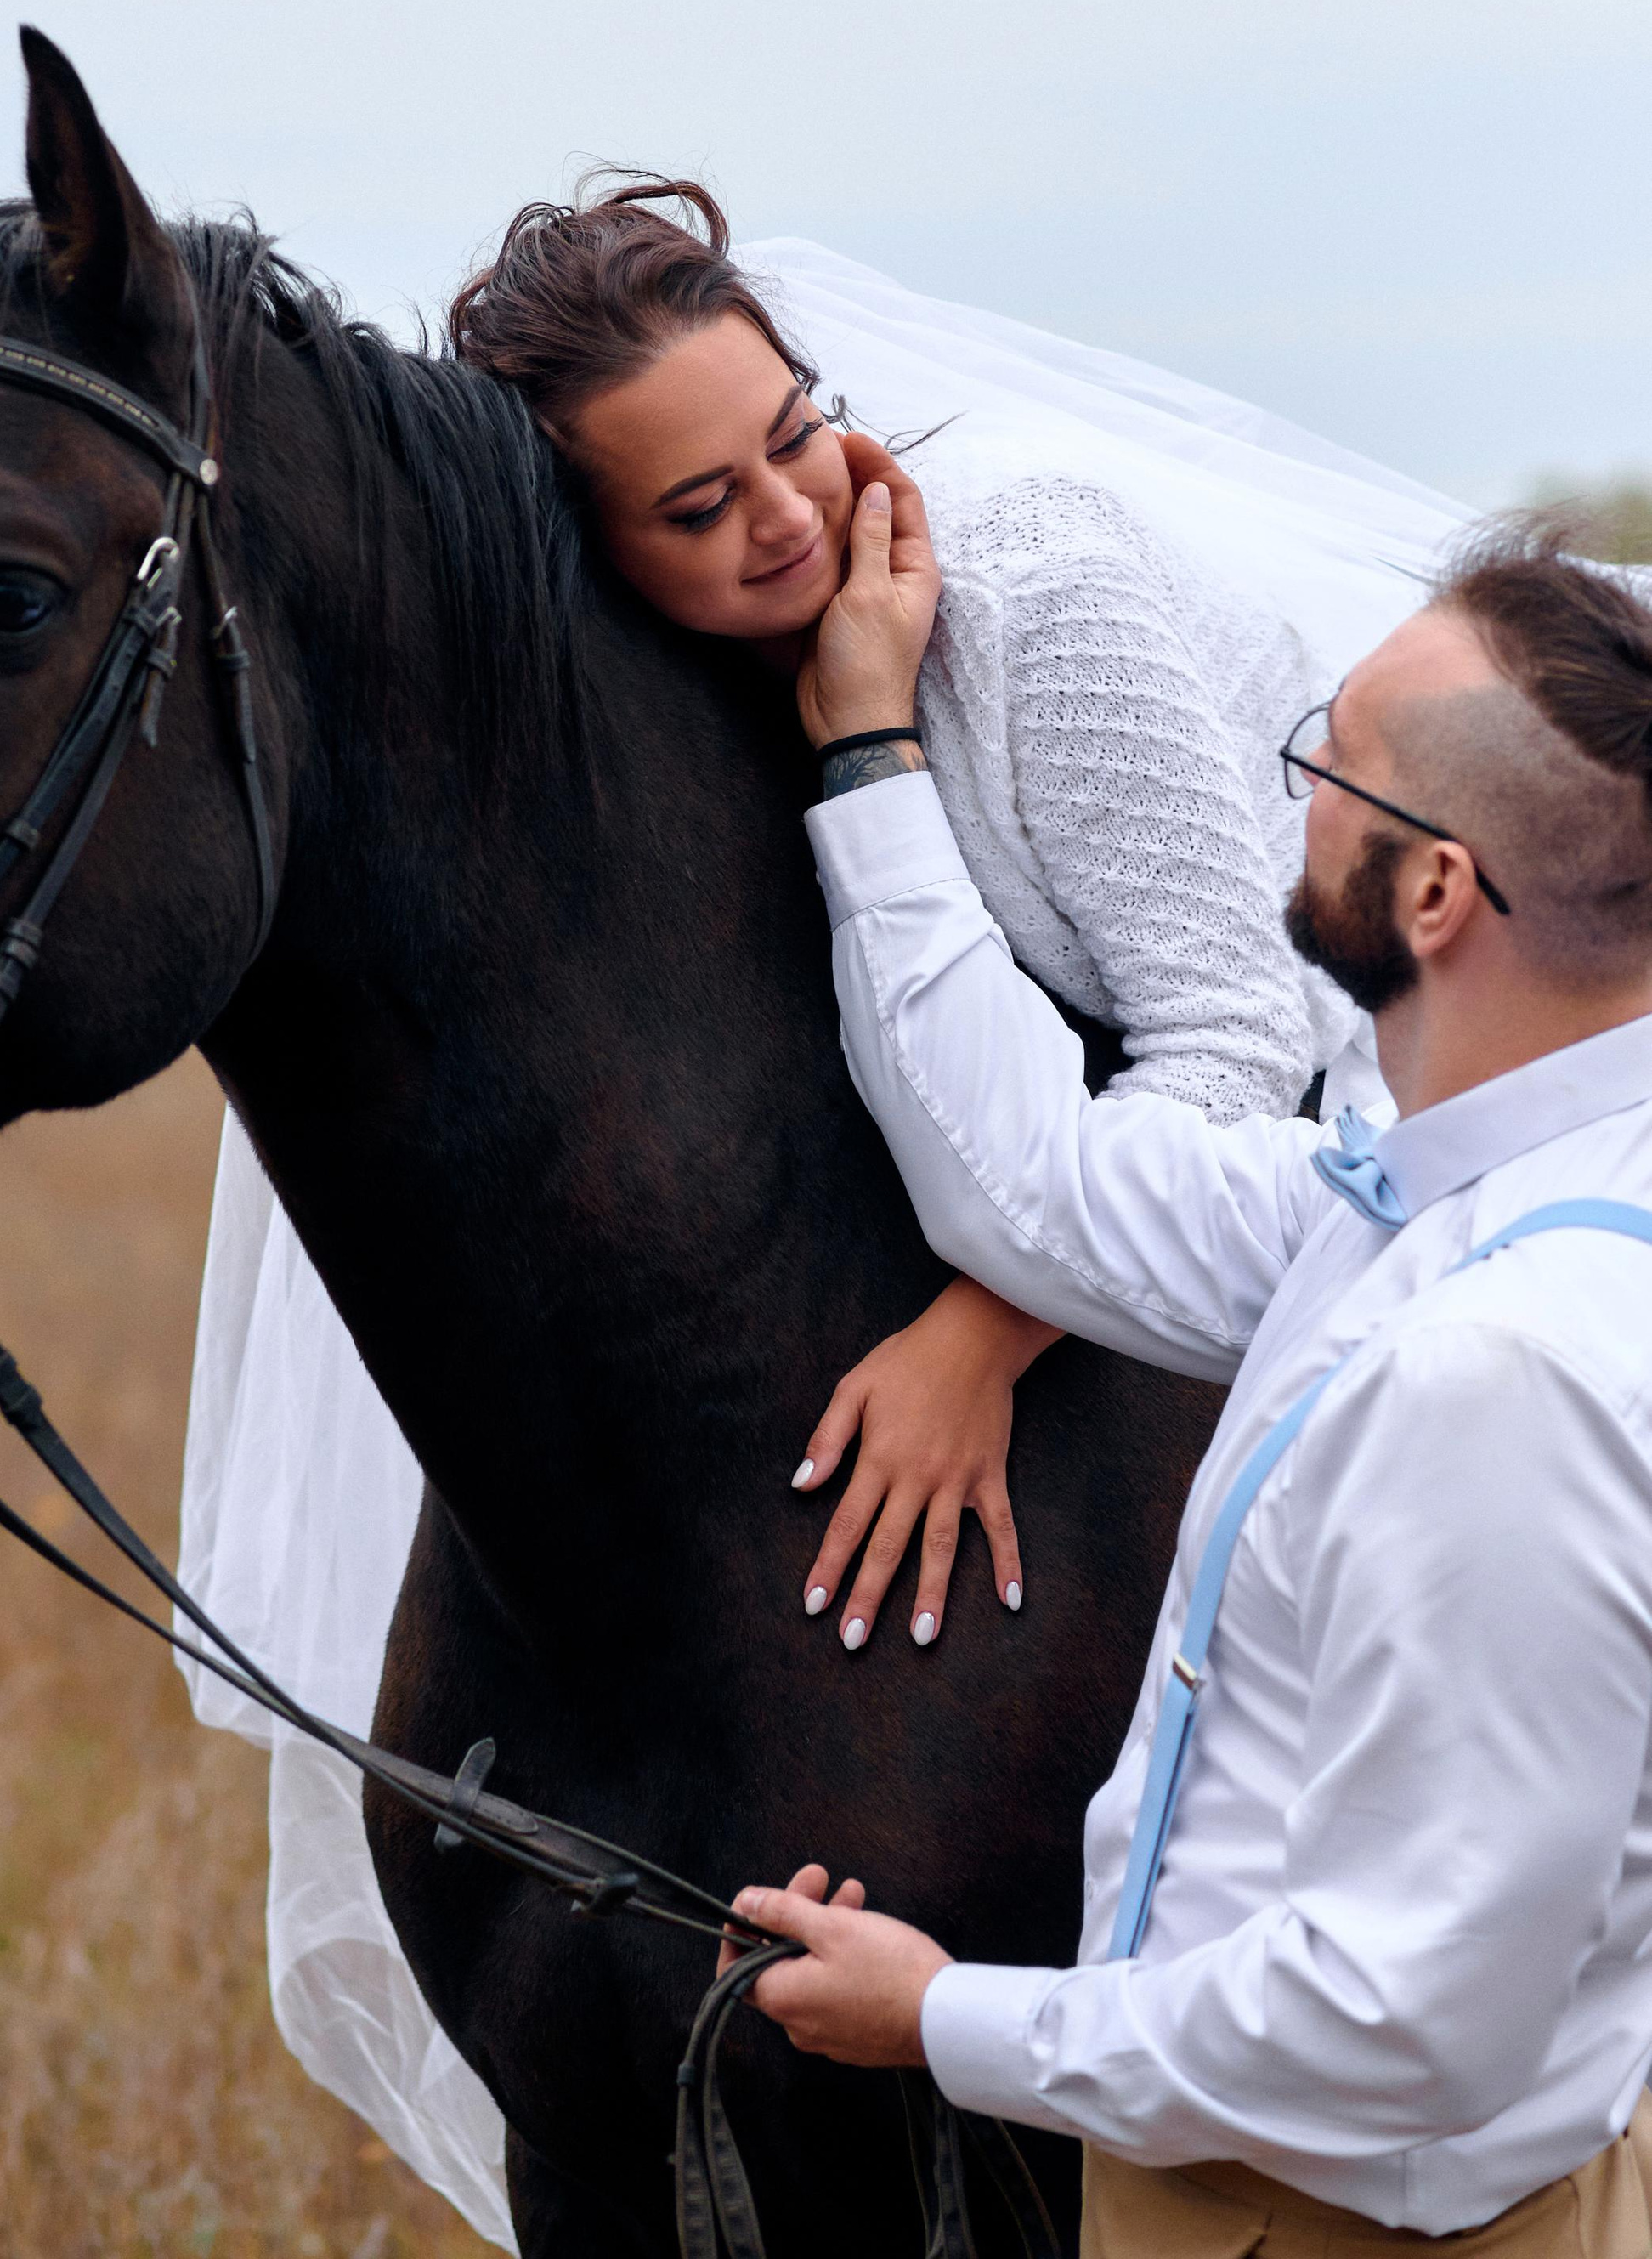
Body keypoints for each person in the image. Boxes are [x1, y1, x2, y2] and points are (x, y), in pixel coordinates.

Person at [179, 195, 1468, 2246]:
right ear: (594, 550)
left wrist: (981, 1332)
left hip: (1379, 1125)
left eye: (797, 428)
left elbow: (1241, 1042)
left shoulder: (1040, 584)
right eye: (700, 503)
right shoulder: (671, 701)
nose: (789, 512)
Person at [725, 501, 1652, 2253]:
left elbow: (1399, 2020)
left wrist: (938, 2019)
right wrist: (867, 752)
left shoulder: (1503, 1376)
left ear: (1434, 889)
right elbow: (1031, 1184)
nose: (1284, 793)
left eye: (1327, 761)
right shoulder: (1421, 1190)